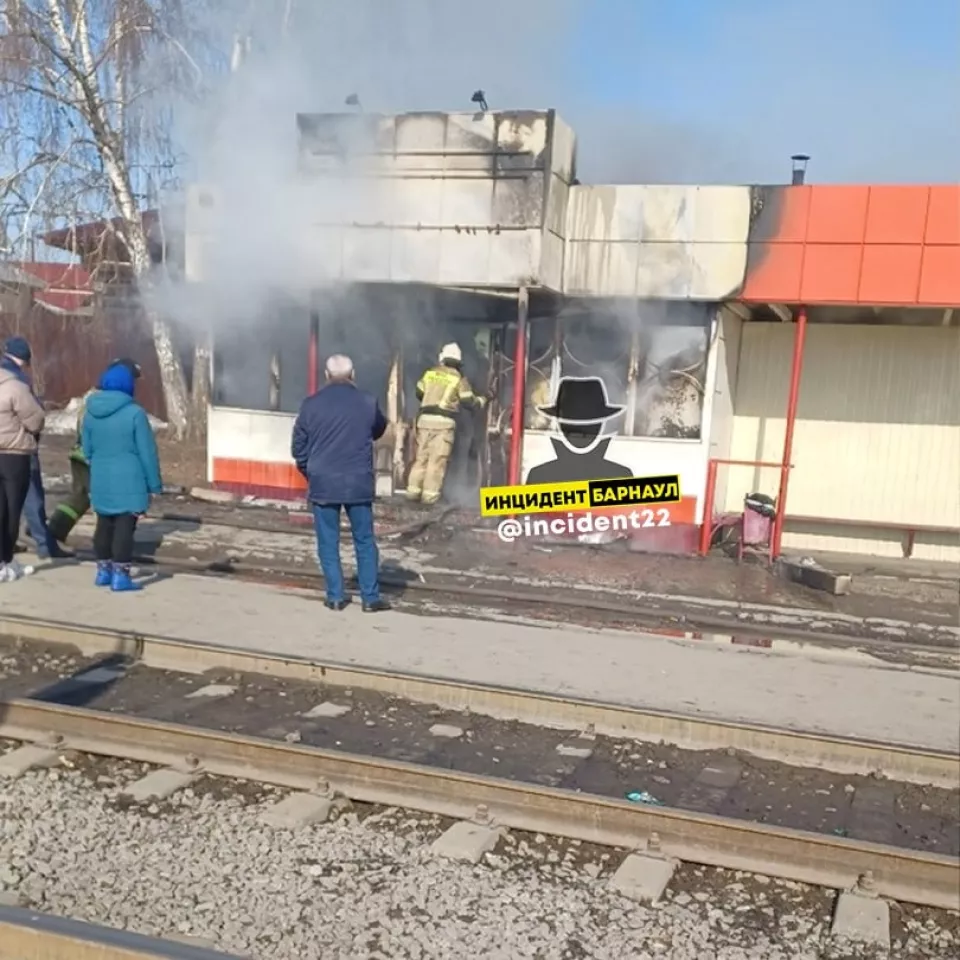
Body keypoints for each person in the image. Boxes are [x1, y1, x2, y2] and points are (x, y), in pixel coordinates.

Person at [292, 354, 390, 613]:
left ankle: (335, 597)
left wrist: (309, 470)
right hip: (358, 482)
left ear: (326, 375)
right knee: (365, 541)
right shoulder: (368, 402)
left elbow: (298, 447)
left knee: (328, 542)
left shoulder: (310, 405)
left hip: (324, 483)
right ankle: (370, 598)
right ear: (353, 374)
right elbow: (379, 428)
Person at [82, 359, 162, 592]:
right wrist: (154, 485)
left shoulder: (90, 413)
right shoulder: (135, 413)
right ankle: (121, 576)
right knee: (125, 527)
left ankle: (102, 571)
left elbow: (86, 449)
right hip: (130, 479)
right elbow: (147, 452)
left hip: (100, 477)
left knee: (104, 524)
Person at [47, 359, 142, 547]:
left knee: (81, 496)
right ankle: (108, 543)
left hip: (81, 454)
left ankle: (54, 530)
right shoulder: (113, 401)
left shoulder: (93, 396)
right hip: (97, 458)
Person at [406, 342, 487, 505]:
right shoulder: (458, 378)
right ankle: (429, 498)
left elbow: (419, 392)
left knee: (421, 458)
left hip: (424, 421)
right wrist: (484, 399)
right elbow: (468, 402)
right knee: (436, 461)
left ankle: (412, 494)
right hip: (443, 424)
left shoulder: (429, 373)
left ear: (442, 359)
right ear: (458, 362)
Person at [0, 336, 46, 580]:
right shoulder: (17, 386)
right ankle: (6, 561)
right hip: (15, 454)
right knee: (12, 509)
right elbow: (35, 419)